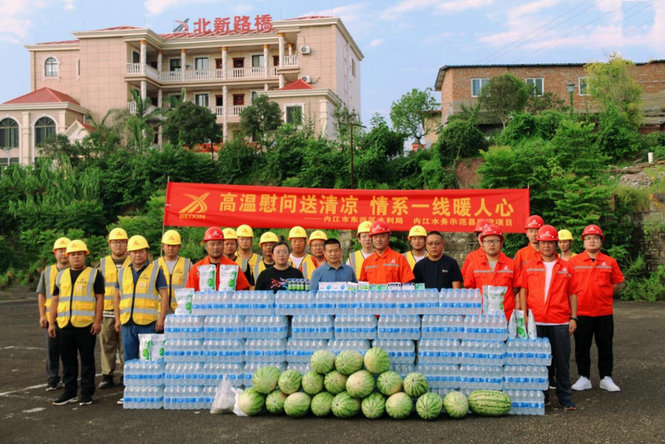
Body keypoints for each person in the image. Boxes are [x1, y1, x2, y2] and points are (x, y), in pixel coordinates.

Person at [519, 225, 578, 411]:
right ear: (538, 243)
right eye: (543, 242)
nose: (546, 246)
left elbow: (572, 293)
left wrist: (574, 317)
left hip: (559, 321)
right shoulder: (529, 265)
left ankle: (565, 397)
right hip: (536, 321)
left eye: (550, 242)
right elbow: (523, 291)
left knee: (562, 361)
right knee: (539, 362)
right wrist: (524, 314)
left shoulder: (566, 267)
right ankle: (542, 397)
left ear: (556, 244)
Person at [569, 224, 625, 392]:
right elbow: (567, 285)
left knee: (605, 345)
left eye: (595, 238)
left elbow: (619, 282)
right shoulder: (574, 262)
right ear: (583, 242)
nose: (592, 241)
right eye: (588, 238)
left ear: (601, 241)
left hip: (603, 311)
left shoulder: (609, 261)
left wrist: (605, 292)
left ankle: (606, 377)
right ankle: (584, 377)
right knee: (582, 346)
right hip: (581, 311)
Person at [48, 240, 104, 406]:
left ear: (85, 255)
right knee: (67, 360)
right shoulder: (61, 276)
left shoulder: (94, 274)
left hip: (86, 325)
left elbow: (100, 298)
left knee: (87, 360)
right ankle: (69, 392)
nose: (76, 257)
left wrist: (97, 321)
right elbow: (55, 300)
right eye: (72, 254)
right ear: (68, 256)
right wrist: (52, 323)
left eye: (79, 254)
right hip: (64, 325)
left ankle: (86, 393)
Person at [463, 224, 520, 321]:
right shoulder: (474, 264)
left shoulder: (511, 264)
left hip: (505, 315)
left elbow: (516, 288)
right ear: (483, 244)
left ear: (501, 243)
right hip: (481, 316)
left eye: (495, 241)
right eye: (488, 241)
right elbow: (469, 289)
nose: (491, 244)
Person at [97, 227, 130, 390]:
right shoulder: (102, 264)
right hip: (106, 312)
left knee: (126, 345)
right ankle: (107, 375)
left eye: (122, 242)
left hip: (127, 311)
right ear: (110, 244)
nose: (118, 245)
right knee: (107, 344)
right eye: (115, 242)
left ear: (127, 244)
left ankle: (126, 373)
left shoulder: (134, 261)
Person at [37, 236, 70, 391]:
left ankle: (68, 378)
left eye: (65, 250)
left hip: (70, 317)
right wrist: (42, 315)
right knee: (52, 349)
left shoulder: (76, 270)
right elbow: (42, 294)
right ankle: (52, 378)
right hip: (52, 318)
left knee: (68, 350)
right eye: (60, 251)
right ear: (55, 253)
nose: (63, 254)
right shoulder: (48, 271)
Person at [186, 227, 250, 291]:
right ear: (206, 246)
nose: (216, 247)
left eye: (219, 243)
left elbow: (244, 290)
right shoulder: (197, 269)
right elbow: (190, 292)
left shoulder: (233, 267)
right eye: (212, 244)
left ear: (223, 245)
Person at [360, 220, 414, 284]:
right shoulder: (367, 262)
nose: (378, 240)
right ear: (371, 239)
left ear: (389, 238)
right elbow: (362, 287)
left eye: (382, 236)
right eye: (375, 237)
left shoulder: (399, 259)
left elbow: (408, 284)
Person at [154, 229, 191, 312]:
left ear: (179, 247)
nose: (171, 248)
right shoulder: (155, 264)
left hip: (181, 309)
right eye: (168, 245)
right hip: (160, 309)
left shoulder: (188, 264)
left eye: (174, 246)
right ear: (163, 246)